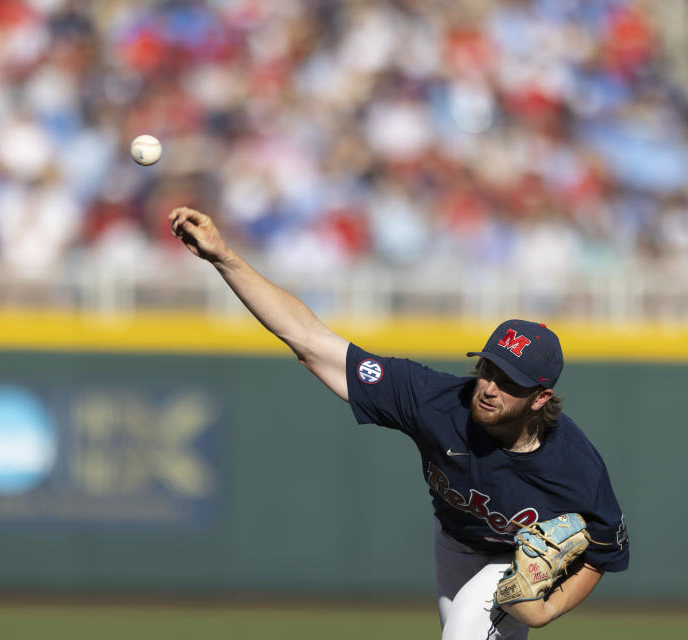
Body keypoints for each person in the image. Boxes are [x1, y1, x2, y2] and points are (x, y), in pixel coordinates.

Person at [168, 206, 629, 639]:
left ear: (539, 398)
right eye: (488, 369)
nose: (489, 386)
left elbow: (604, 551)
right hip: (453, 541)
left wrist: (549, 609)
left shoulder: (575, 465)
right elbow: (311, 342)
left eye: (509, 381)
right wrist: (224, 258)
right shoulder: (433, 399)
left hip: (511, 558)